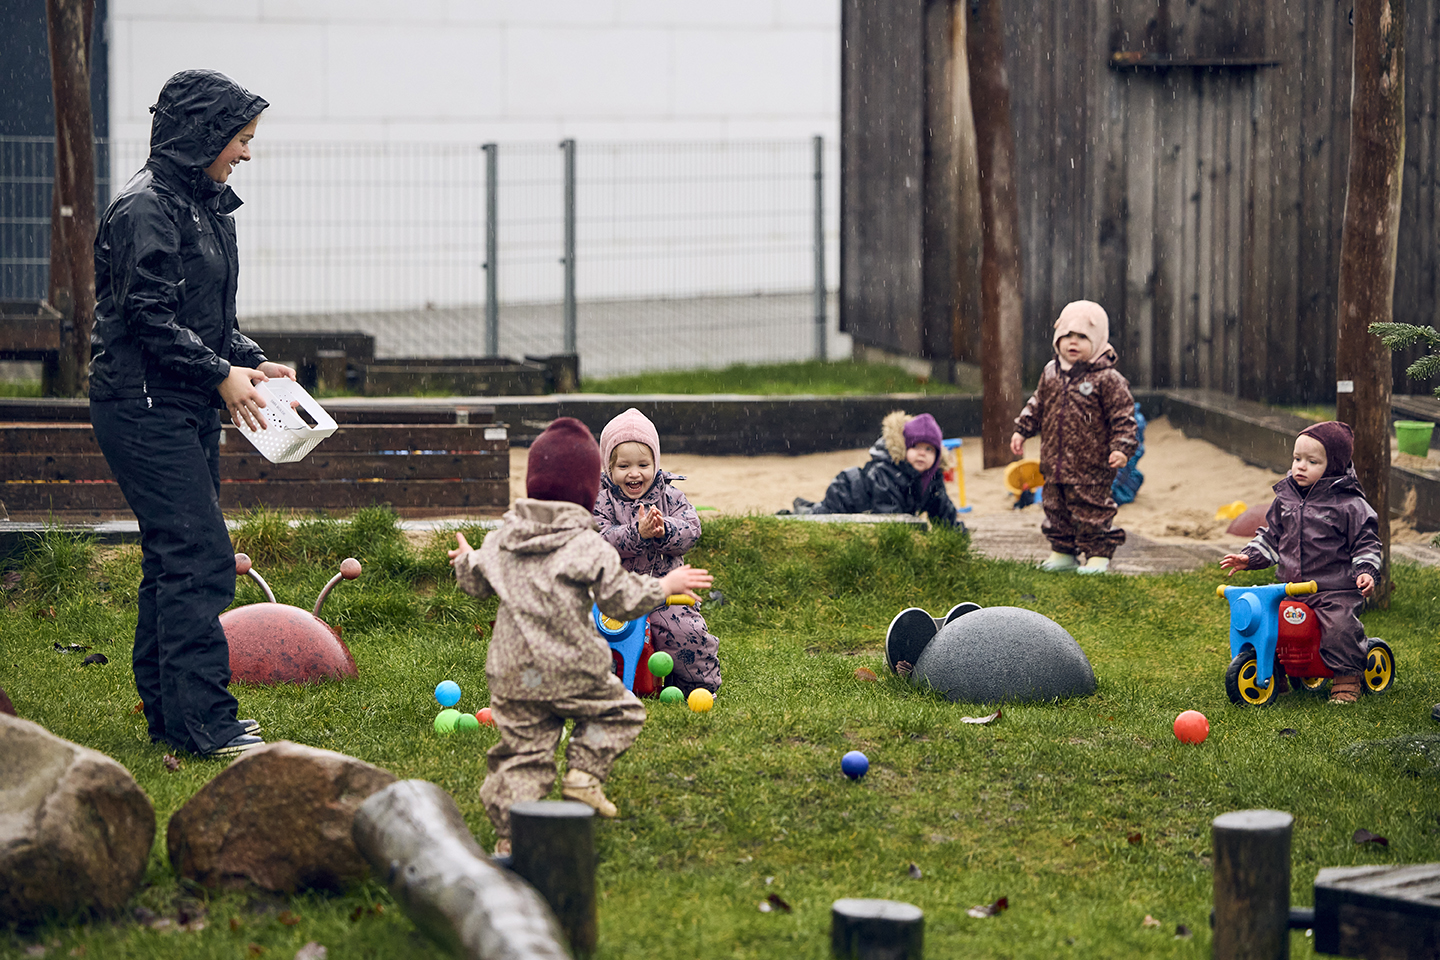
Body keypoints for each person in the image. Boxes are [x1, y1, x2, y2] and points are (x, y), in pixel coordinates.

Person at [89, 70, 293, 758]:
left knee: (173, 557)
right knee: (201, 558)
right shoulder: (144, 208)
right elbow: (147, 318)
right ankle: (208, 721)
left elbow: (206, 321)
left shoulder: (203, 206)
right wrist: (219, 375)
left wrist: (249, 361)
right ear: (202, 135)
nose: (246, 153)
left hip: (181, 402)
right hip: (143, 406)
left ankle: (170, 715)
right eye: (239, 139)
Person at [449, 418, 713, 857]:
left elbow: (476, 582)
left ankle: (510, 836)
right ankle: (583, 776)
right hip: (573, 668)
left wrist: (464, 560)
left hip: (515, 677)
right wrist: (664, 588)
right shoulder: (586, 545)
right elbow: (623, 599)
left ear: (533, 485)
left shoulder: (503, 539)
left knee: (524, 754)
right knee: (621, 714)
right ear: (591, 490)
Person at [1220, 421, 1381, 705]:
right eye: (1297, 459)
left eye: (1312, 461)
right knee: (1271, 623)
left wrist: (1366, 571)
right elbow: (1271, 537)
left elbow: (1366, 543)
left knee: (1340, 627)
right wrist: (1250, 556)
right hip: (1290, 586)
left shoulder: (1349, 505)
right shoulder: (1286, 500)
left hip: (1333, 589)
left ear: (1333, 466)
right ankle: (1274, 671)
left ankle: (1347, 676)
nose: (1300, 467)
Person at [593, 407, 722, 697]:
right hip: (617, 595)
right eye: (623, 466)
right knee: (595, 637)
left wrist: (665, 530)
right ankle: (603, 685)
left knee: (685, 633)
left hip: (666, 593)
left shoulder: (671, 496)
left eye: (643, 464)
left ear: (656, 463)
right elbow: (598, 541)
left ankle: (697, 686)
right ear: (608, 468)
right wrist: (636, 533)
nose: (634, 473)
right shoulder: (600, 501)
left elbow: (692, 530)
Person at [1011, 300, 1137, 574]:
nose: (1073, 342)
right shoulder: (1050, 372)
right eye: (1067, 335)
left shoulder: (1107, 379)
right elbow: (1037, 405)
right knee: (1055, 508)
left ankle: (1098, 555)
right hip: (1054, 462)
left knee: (1092, 510)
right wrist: (1022, 429)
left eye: (1082, 337)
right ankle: (1062, 552)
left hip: (1091, 464)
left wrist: (1121, 447)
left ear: (1099, 340)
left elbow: (1123, 416)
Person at [786, 411, 961, 527]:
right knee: (817, 521)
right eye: (916, 447)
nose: (922, 454)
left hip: (871, 510)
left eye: (929, 449)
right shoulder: (887, 474)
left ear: (938, 455)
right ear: (904, 448)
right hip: (847, 494)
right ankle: (797, 513)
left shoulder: (932, 480)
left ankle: (805, 508)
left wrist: (957, 538)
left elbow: (943, 510)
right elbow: (891, 520)